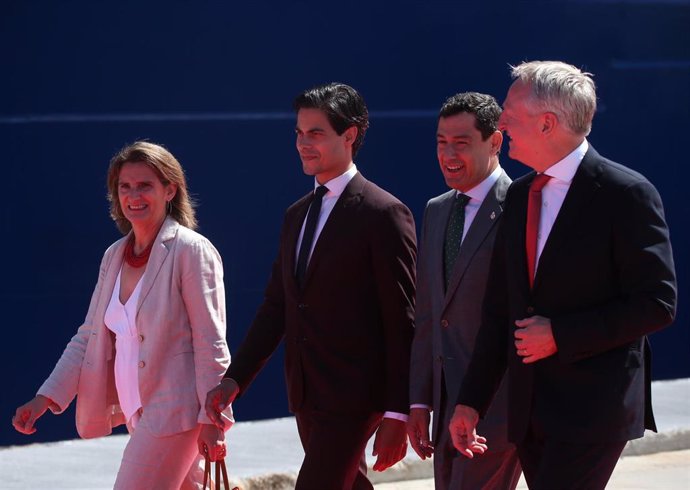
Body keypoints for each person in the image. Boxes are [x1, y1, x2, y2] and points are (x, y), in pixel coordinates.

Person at [449, 61, 677, 490]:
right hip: (532, 410)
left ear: (548, 123)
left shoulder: (625, 194)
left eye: (510, 112)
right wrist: (470, 402)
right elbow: (501, 309)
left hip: (594, 409)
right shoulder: (518, 196)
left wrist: (560, 334)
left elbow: (656, 304)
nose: (501, 122)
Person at [205, 82, 417, 490]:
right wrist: (236, 378)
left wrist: (398, 412)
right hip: (306, 391)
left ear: (350, 135)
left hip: (356, 397)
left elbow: (402, 320)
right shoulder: (296, 215)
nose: (303, 143)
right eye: (299, 133)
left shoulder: (384, 213)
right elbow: (277, 306)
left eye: (316, 133)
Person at [12, 141, 232, 489]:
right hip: (137, 411)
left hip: (177, 413)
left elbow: (211, 342)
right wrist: (46, 398)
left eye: (145, 185)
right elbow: (89, 337)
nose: (134, 195)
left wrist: (213, 420)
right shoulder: (114, 255)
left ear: (170, 189)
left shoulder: (191, 250)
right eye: (124, 186)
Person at [408, 92, 521, 489]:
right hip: (444, 406)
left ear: (494, 142)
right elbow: (428, 314)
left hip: (498, 408)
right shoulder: (437, 210)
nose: (448, 153)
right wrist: (420, 401)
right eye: (441, 142)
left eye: (461, 142)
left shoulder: (521, 207)